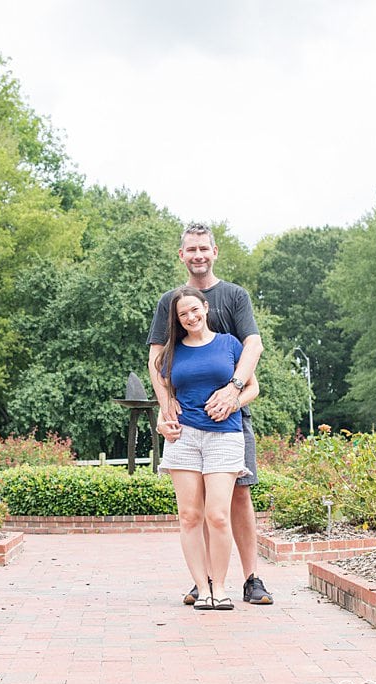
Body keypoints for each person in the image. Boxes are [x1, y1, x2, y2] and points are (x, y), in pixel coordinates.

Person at [147, 222, 274, 606]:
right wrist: (165, 407)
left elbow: (254, 344)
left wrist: (234, 391)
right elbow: (157, 358)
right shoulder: (170, 301)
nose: (198, 255)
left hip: (232, 418)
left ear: (214, 251)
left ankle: (251, 577)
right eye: (191, 249)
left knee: (237, 496)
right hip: (188, 422)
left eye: (204, 248)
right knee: (196, 505)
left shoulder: (234, 296)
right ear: (182, 256)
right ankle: (203, 580)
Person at [153, 286, 259, 610]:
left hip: (224, 437)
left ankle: (222, 587)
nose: (190, 317)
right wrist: (161, 421)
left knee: (217, 515)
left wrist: (232, 402)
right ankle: (203, 588)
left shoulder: (229, 344)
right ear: (178, 319)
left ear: (206, 308)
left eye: (194, 310)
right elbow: (168, 397)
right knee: (189, 516)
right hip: (183, 439)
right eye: (183, 314)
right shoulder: (171, 354)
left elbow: (253, 387)